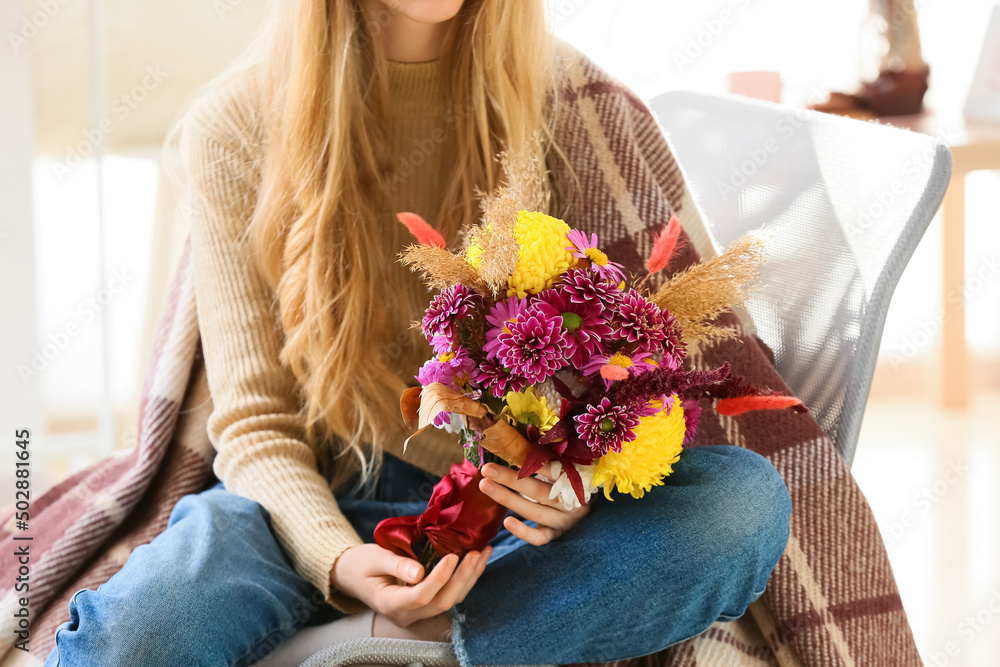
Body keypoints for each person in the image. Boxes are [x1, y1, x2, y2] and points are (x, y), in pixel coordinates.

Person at [43, 1, 792, 666]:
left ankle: (417, 648)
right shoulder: (234, 123)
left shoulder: (569, 100)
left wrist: (577, 481)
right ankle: (410, 629)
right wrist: (336, 558)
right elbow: (256, 421)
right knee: (141, 634)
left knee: (738, 505)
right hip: (305, 498)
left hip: (511, 520)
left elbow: (629, 366)